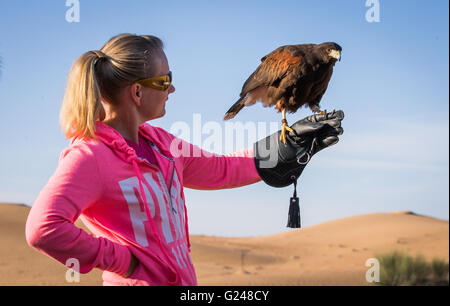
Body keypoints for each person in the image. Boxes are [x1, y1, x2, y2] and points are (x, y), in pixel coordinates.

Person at [25, 33, 344, 286]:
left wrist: (286, 149)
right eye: (164, 81)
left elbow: (223, 170)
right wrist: (124, 262)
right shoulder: (90, 156)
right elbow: (43, 229)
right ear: (136, 93)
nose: (173, 88)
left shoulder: (161, 145)